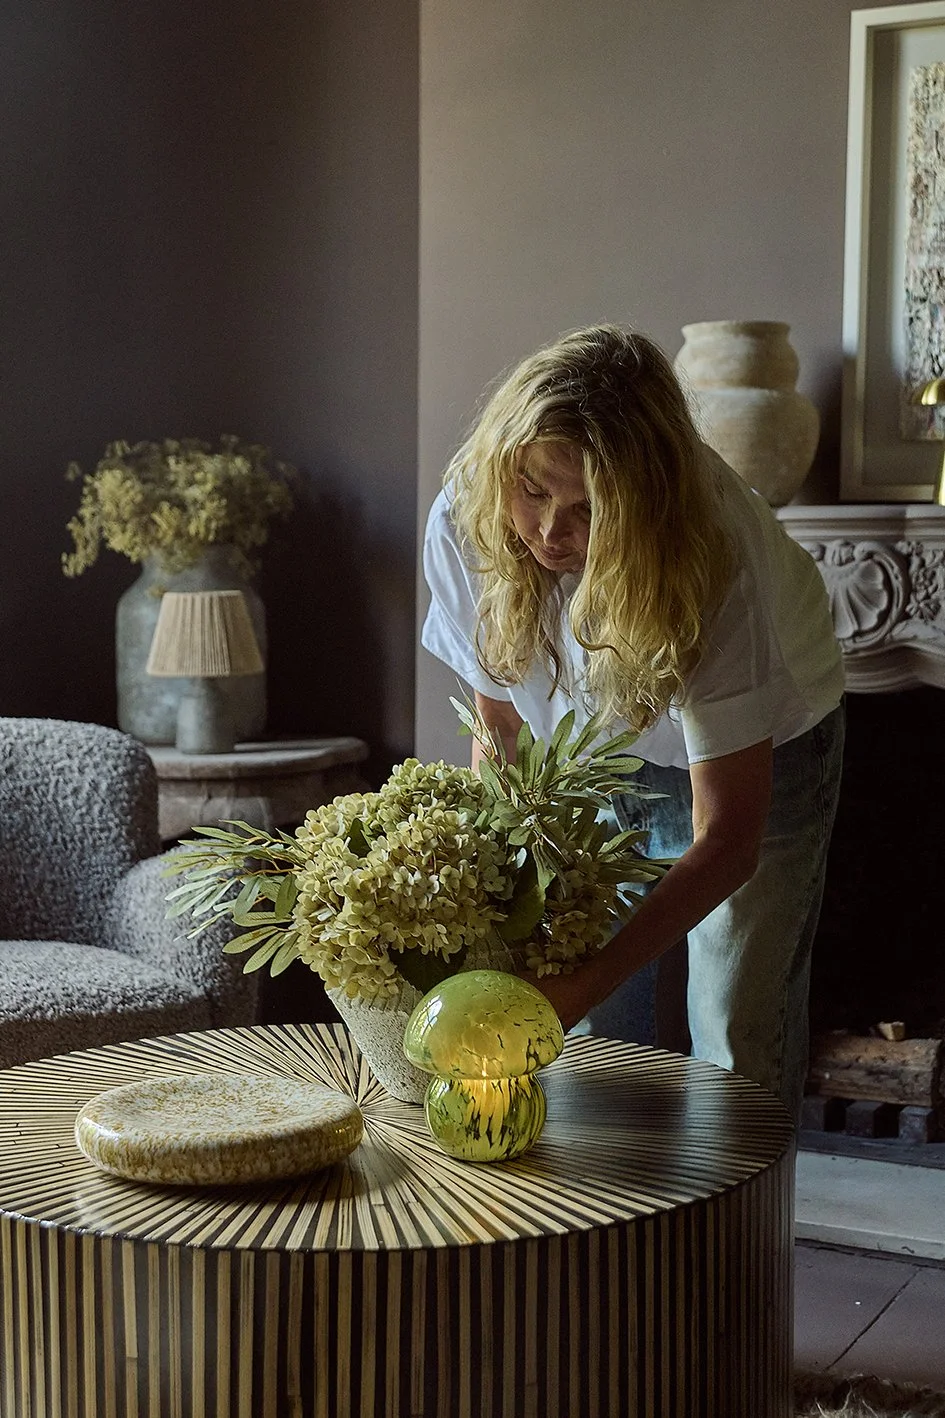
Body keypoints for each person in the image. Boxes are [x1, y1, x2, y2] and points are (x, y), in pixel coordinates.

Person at [420, 323, 845, 1121]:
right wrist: (503, 904)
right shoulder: (466, 514)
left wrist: (577, 985)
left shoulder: (710, 555)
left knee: (733, 1039)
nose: (548, 532)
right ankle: (613, 1238)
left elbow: (726, 842)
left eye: (587, 510)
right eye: (535, 491)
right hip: (589, 753)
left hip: (770, 747)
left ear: (641, 509)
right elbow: (502, 733)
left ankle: (734, 1244)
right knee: (586, 1032)